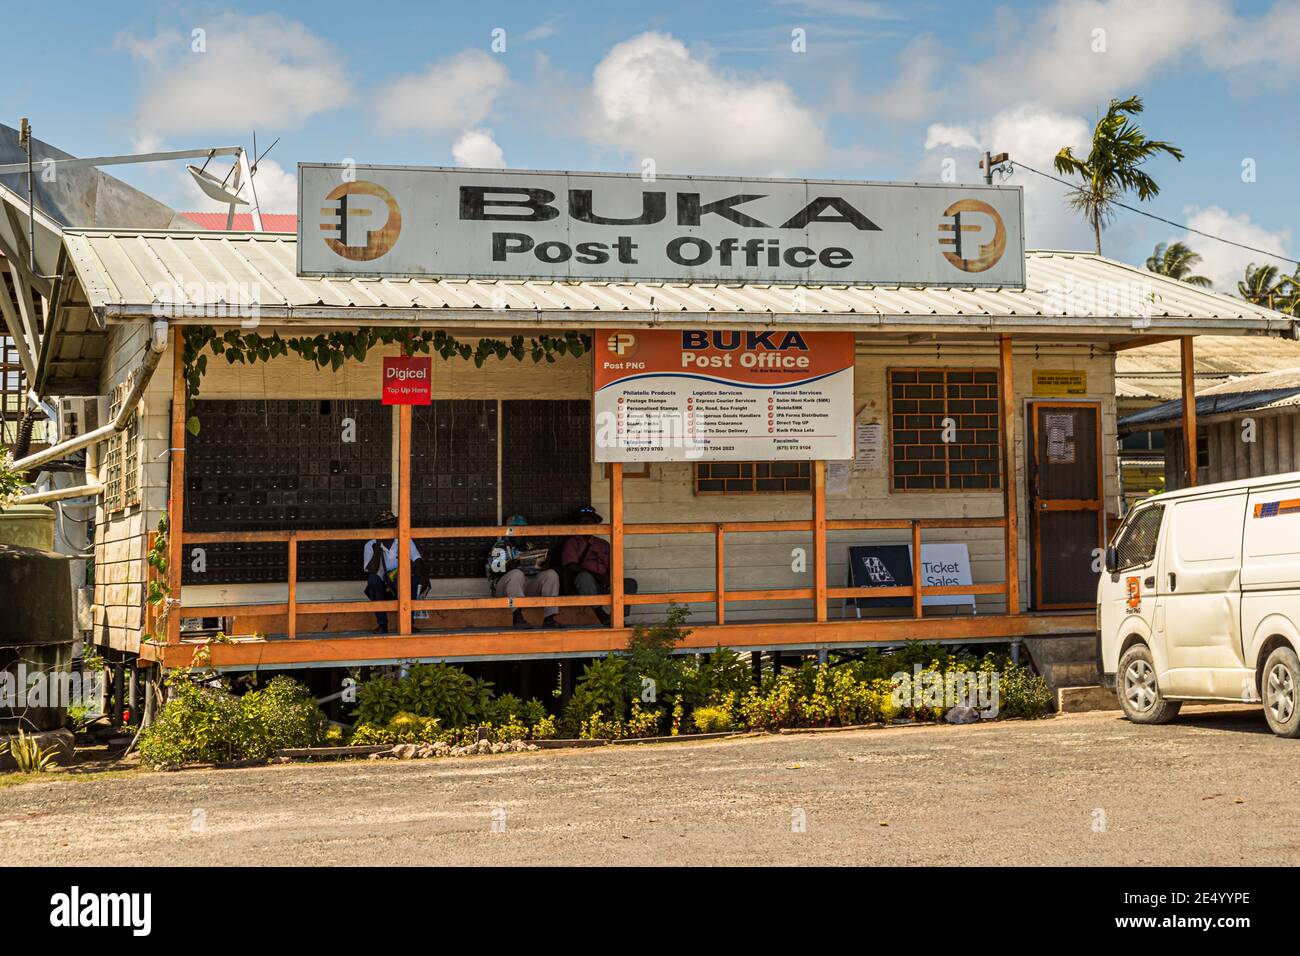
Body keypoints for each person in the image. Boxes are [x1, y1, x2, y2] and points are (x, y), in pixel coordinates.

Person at [487, 514, 561, 629]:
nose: (521, 534)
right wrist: (512, 565)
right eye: (518, 530)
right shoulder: (500, 546)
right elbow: (495, 572)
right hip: (504, 590)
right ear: (510, 532)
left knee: (551, 574)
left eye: (523, 530)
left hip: (525, 586)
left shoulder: (529, 546)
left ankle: (549, 618)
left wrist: (542, 565)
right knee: (516, 573)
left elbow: (538, 567)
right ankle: (518, 618)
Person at [362, 511, 429, 633]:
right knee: (373, 580)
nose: (387, 530)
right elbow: (372, 570)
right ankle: (382, 624)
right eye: (383, 527)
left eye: (390, 526)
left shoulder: (404, 541)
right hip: (383, 590)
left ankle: (409, 623)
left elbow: (418, 561)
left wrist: (424, 579)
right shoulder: (370, 545)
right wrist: (378, 546)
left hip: (401, 587)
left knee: (415, 580)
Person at [560, 506, 613, 625]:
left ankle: (617, 616)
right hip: (583, 584)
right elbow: (572, 566)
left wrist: (610, 578)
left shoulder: (603, 544)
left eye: (590, 521)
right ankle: (600, 613)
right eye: (583, 521)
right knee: (585, 577)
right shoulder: (572, 543)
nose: (587, 524)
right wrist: (597, 576)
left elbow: (612, 565)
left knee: (629, 583)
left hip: (604, 582)